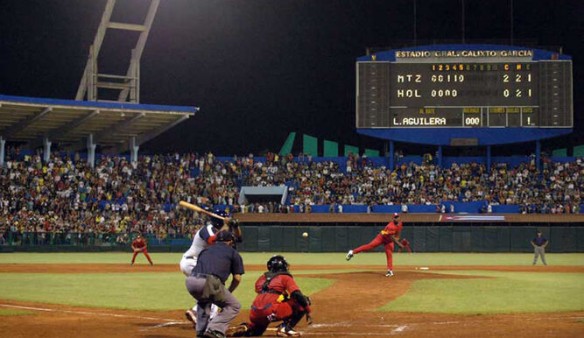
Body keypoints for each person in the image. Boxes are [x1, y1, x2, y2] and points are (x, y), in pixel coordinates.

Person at [226, 255, 312, 337]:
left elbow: (264, 293)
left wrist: (282, 297)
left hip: (254, 313)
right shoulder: (285, 277)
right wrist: (307, 309)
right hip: (271, 312)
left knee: (257, 331)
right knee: (303, 300)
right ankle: (285, 328)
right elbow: (296, 294)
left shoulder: (262, 278)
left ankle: (246, 327)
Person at [185, 230, 245, 338]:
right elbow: (237, 278)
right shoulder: (233, 252)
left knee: (204, 302)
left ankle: (201, 333)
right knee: (234, 305)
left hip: (191, 281)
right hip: (208, 282)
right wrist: (229, 291)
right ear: (230, 241)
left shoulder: (206, 250)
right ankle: (214, 329)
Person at [180, 220, 220, 325]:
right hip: (192, 262)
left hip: (196, 263)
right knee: (214, 287)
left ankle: (199, 313)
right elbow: (212, 240)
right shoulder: (207, 229)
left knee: (210, 289)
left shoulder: (218, 232)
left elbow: (238, 239)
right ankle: (203, 315)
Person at [346, 213, 404, 277]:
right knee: (369, 246)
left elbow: (398, 234)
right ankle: (352, 252)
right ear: (393, 219)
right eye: (395, 217)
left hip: (389, 240)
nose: (397, 218)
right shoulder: (391, 226)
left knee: (389, 254)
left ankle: (390, 271)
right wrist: (399, 244)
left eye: (398, 217)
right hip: (382, 237)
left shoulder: (400, 223)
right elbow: (392, 237)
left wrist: (398, 239)